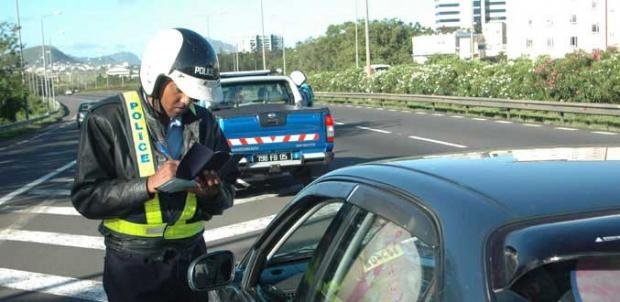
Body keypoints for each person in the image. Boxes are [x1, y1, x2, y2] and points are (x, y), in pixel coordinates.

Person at [71, 28, 239, 302]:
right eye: (181, 91)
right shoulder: (107, 119)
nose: (187, 101)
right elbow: (86, 197)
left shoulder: (205, 122)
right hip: (133, 266)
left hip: (191, 260)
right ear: (157, 77)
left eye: (195, 95)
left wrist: (213, 194)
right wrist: (148, 184)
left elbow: (227, 193)